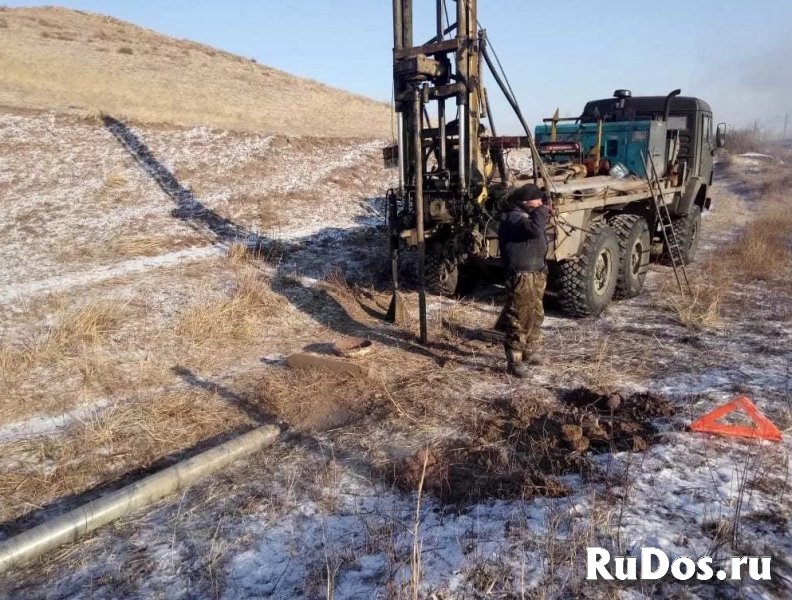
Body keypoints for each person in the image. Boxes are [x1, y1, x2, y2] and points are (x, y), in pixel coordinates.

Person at [494, 184, 550, 378]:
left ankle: (529, 351)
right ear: (526, 201)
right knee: (519, 318)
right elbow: (534, 229)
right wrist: (543, 210)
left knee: (535, 315)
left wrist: (540, 209)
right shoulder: (512, 217)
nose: (541, 203)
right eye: (538, 200)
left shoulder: (528, 214)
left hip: (536, 273)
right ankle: (514, 361)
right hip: (521, 276)